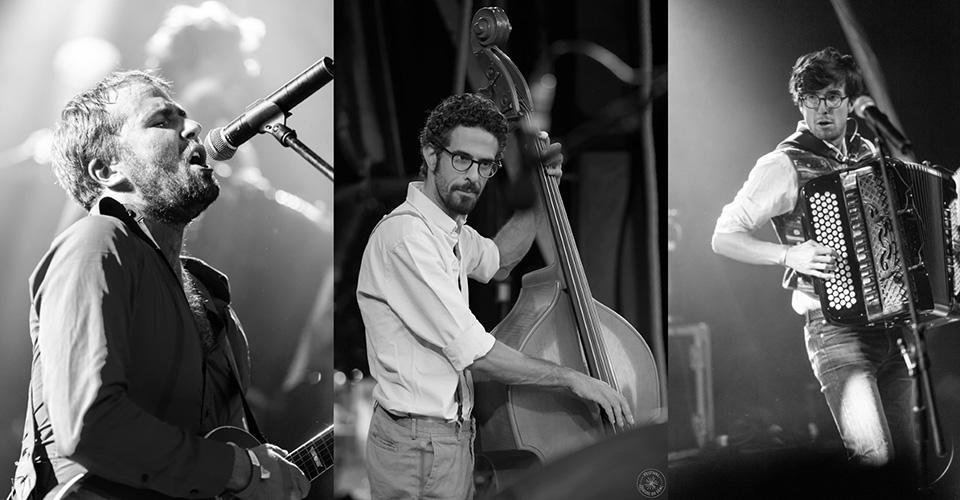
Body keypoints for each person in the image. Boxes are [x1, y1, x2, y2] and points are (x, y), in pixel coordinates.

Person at [8, 71, 309, 500]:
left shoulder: (208, 301)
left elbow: (209, 460)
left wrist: (255, 470)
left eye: (183, 117)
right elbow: (90, 422)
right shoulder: (95, 243)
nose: (193, 128)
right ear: (107, 169)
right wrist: (241, 469)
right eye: (162, 120)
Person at [356, 93, 635, 499]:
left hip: (447, 438)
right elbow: (477, 354)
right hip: (419, 444)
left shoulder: (446, 232)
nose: (474, 176)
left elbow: (500, 260)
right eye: (462, 159)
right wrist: (573, 380)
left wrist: (545, 189)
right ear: (431, 154)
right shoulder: (408, 238)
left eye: (486, 165)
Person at [711, 48, 915, 471]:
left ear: (847, 99)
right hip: (835, 332)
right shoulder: (783, 163)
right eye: (811, 98)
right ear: (799, 102)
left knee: (906, 466)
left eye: (832, 96)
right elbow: (723, 236)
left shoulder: (871, 152)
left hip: (892, 329)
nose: (822, 108)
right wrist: (789, 253)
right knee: (874, 458)